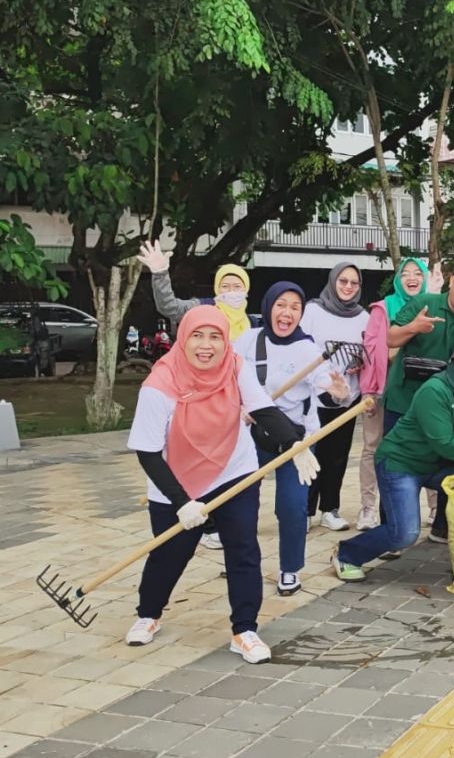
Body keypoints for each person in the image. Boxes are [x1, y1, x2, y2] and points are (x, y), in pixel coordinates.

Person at [125, 307, 317, 664]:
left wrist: (293, 444)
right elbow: (149, 453)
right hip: (175, 481)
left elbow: (262, 409)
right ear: (183, 338)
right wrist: (182, 502)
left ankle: (244, 629)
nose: (206, 346)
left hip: (233, 470)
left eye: (215, 336)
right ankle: (148, 614)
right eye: (198, 336)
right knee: (170, 552)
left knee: (243, 547)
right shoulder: (158, 387)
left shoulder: (235, 365)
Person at [332, 337, 454, 581]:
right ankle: (346, 554)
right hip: (401, 464)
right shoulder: (434, 390)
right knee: (405, 534)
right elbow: (444, 443)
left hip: (436, 465)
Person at [137, 241, 253, 550]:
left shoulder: (252, 324)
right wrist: (160, 273)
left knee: (231, 466)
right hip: (195, 404)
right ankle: (199, 517)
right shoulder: (202, 310)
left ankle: (224, 522)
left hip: (235, 409)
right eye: (225, 285)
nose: (231, 290)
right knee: (195, 460)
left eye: (237, 285)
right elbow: (169, 306)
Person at [234, 282, 347, 597]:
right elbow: (227, 378)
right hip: (252, 436)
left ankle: (290, 569)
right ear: (269, 306)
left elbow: (327, 382)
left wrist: (338, 393)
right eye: (281, 304)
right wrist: (238, 406)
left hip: (295, 440)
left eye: (295, 307)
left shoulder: (308, 350)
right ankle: (241, 562)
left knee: (292, 507)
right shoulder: (247, 341)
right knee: (241, 504)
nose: (287, 312)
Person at [383, 262, 454, 541]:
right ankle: (392, 530)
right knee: (399, 465)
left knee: (450, 464)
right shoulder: (425, 303)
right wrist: (414, 327)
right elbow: (390, 338)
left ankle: (442, 526)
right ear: (452, 281)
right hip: (403, 401)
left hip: (445, 409)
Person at [358, 258, 443, 530]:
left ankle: (434, 508)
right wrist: (369, 391)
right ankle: (369, 508)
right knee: (375, 448)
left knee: (430, 445)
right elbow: (372, 351)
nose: (412, 277)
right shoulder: (383, 309)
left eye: (418, 273)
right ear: (397, 279)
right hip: (384, 391)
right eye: (405, 273)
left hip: (424, 392)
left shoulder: (434, 306)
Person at [300, 262, 370, 532]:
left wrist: (359, 363)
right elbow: (303, 347)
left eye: (354, 283)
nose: (348, 287)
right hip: (316, 396)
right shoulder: (314, 310)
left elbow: (368, 351)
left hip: (347, 397)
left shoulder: (363, 316)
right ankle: (305, 510)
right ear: (333, 281)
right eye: (343, 281)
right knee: (311, 452)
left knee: (338, 454)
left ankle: (330, 508)